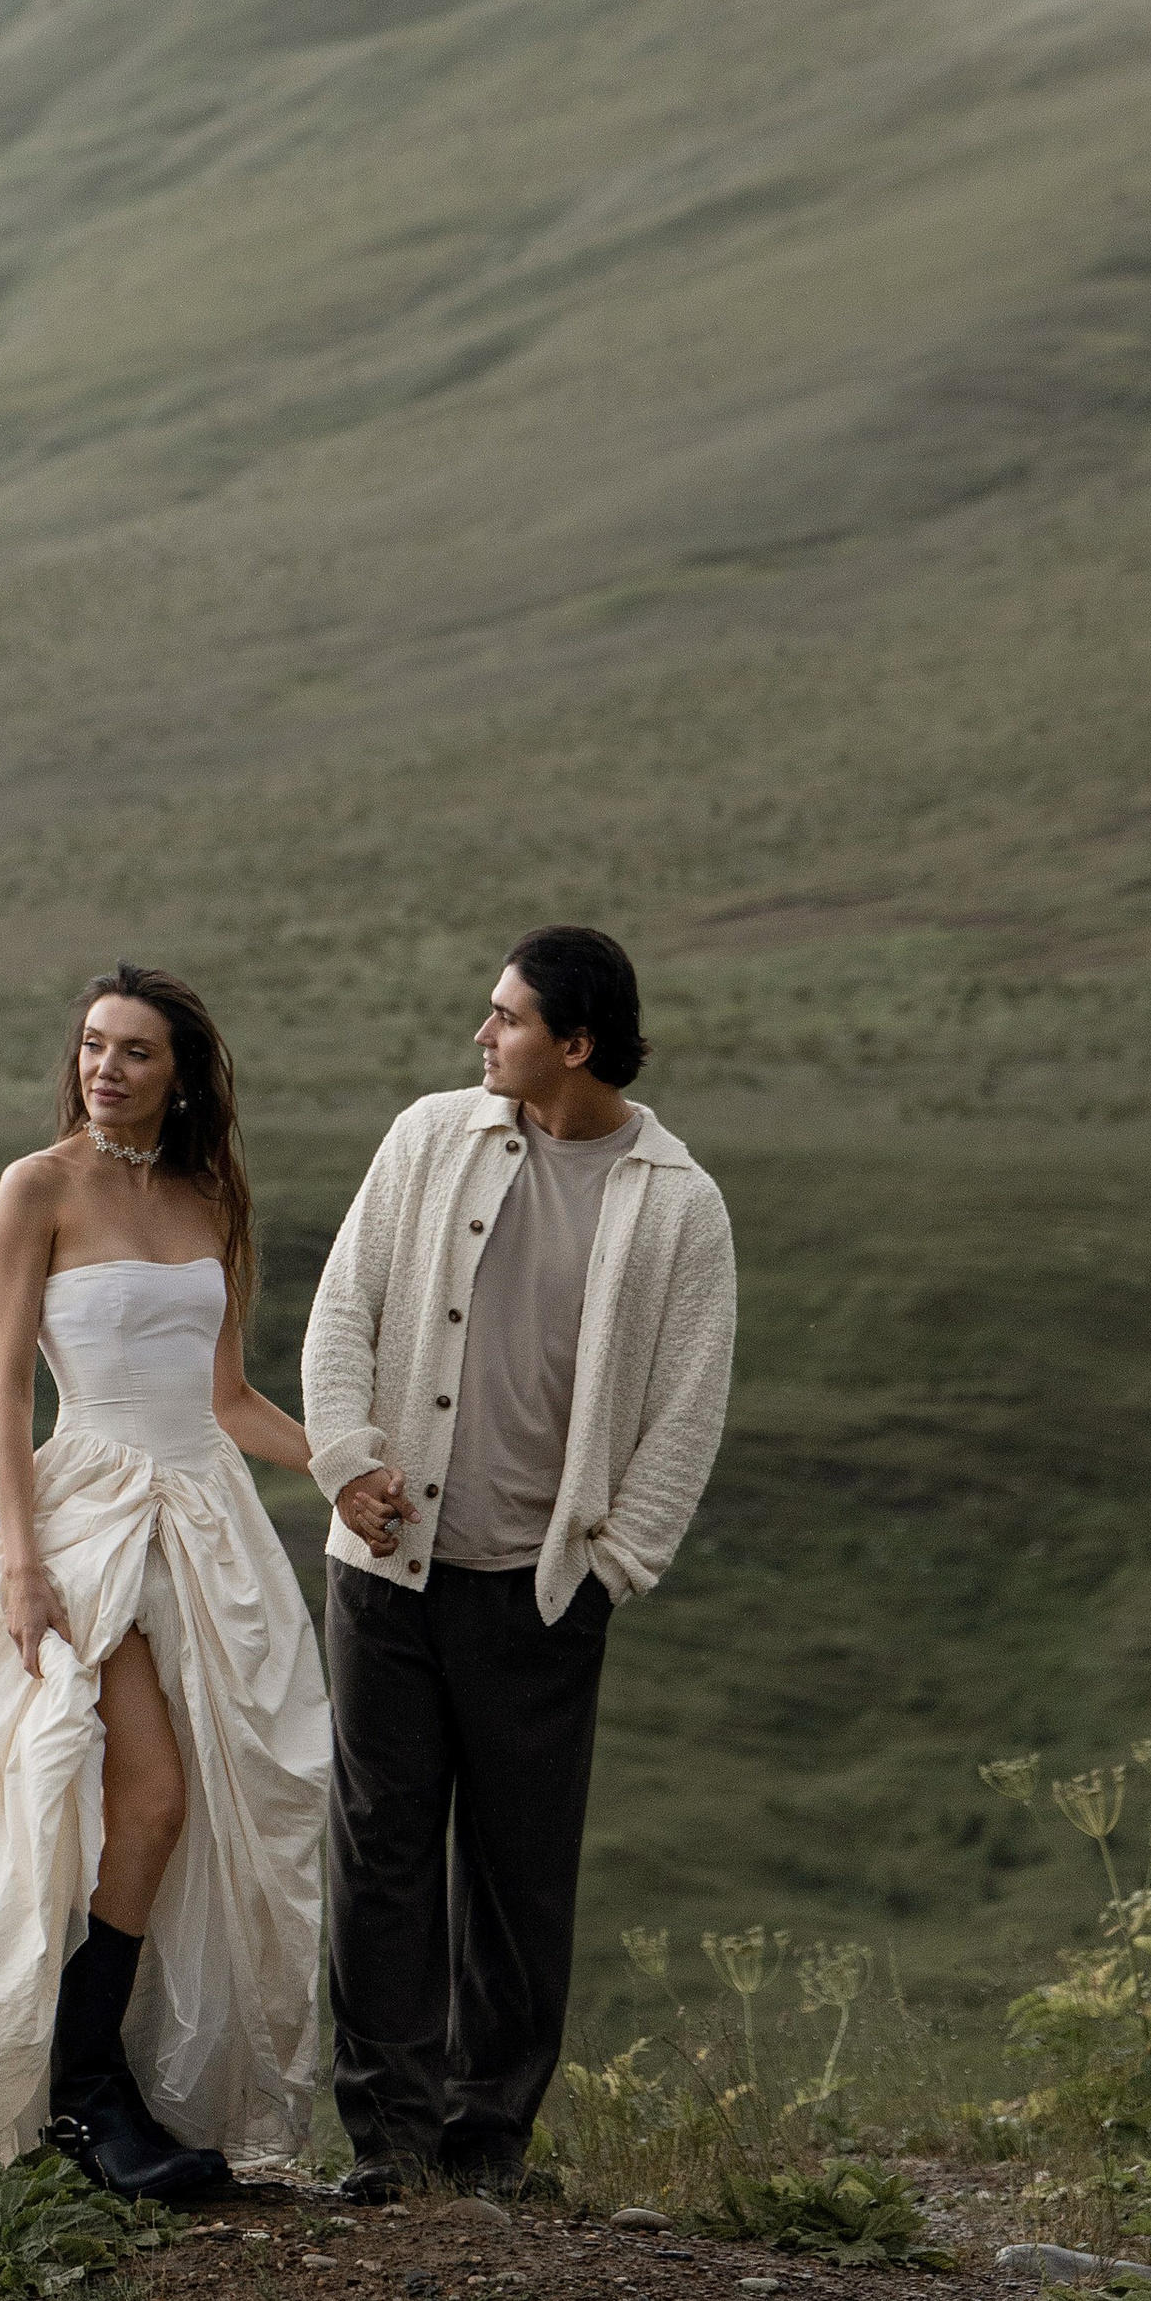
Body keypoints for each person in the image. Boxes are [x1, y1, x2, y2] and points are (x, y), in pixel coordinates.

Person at [0, 964, 329, 2202]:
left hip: (207, 1519)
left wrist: (345, 1465)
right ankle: (84, 2096)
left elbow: (227, 1399)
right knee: (145, 1797)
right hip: (89, 1516)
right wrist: (24, 1561)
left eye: (135, 1051)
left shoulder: (211, 1195)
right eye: (93, 1045)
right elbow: (4, 1396)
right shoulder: (35, 1187)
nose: (106, 1068)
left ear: (181, 1075)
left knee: (224, 1802)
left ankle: (112, 2082)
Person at [300, 924, 736, 2198]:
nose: (481, 1034)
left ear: (576, 1044)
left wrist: (616, 1564)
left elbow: (688, 1405)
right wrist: (347, 1464)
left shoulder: (678, 1204)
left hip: (540, 1590)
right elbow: (342, 1309)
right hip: (386, 1565)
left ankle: (487, 2147)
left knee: (517, 1875)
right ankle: (389, 2146)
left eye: (507, 1017)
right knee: (380, 1852)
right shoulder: (429, 1136)